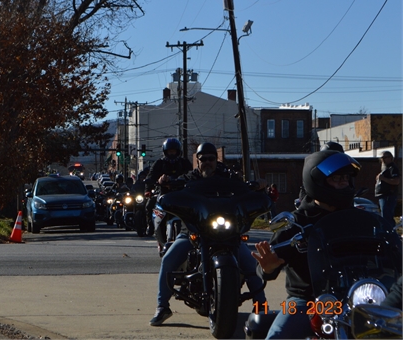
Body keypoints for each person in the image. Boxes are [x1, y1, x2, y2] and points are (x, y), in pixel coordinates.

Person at [149, 142, 267, 326]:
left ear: (216, 159)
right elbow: (172, 189)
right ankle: (162, 306)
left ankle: (262, 307)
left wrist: (258, 186)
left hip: (228, 233)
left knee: (251, 264)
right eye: (203, 159)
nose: (207, 163)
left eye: (211, 159)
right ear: (198, 160)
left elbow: (244, 188)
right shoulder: (189, 177)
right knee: (169, 259)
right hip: (193, 232)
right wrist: (165, 184)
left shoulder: (228, 177)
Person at [252, 150, 363, 339]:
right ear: (317, 181)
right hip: (307, 301)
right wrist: (268, 267)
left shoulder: (357, 219)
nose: (344, 183)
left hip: (356, 299)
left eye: (346, 178)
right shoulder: (296, 222)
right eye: (337, 179)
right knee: (277, 336)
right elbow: (267, 268)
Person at [375, 150, 400, 229]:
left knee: (387, 216)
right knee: (384, 215)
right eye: (381, 158)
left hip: (388, 195)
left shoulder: (392, 168)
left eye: (385, 157)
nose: (382, 160)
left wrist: (383, 179)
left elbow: (396, 181)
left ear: (390, 158)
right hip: (382, 195)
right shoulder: (384, 168)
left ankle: (390, 233)